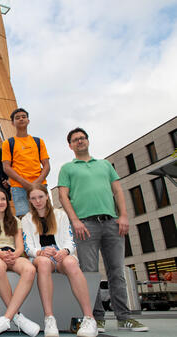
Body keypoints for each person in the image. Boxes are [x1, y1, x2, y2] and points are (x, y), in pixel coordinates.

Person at [57, 127, 148, 333]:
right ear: (70, 145)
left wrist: (123, 215)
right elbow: (63, 196)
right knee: (89, 273)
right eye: (75, 139)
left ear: (88, 141)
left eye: (82, 138)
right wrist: (75, 221)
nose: (80, 141)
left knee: (117, 271)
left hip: (111, 223)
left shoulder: (105, 165)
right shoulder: (67, 169)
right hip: (85, 225)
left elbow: (117, 190)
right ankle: (96, 318)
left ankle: (124, 317)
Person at [22, 184, 98, 337]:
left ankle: (89, 318)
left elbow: (70, 240)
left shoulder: (60, 215)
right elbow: (27, 246)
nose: (38, 201)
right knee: (43, 263)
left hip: (61, 254)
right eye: (33, 198)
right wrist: (40, 252)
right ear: (29, 200)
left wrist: (65, 251)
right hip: (41, 256)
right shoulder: (27, 219)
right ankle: (49, 319)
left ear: (47, 197)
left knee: (71, 263)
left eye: (41, 197)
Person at [0, 188, 39, 337]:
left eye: (3, 199)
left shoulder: (15, 220)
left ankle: (7, 318)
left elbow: (20, 246)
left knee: (30, 269)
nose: (0, 202)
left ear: (7, 202)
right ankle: (17, 316)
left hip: (12, 254)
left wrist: (14, 255)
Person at [2, 108, 50, 217]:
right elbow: (6, 167)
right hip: (19, 187)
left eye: (24, 117)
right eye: (17, 118)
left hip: (40, 185)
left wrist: (38, 182)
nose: (21, 119)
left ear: (28, 120)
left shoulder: (38, 141)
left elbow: (46, 165)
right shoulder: (8, 143)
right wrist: (24, 182)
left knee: (45, 217)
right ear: (12, 123)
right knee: (25, 219)